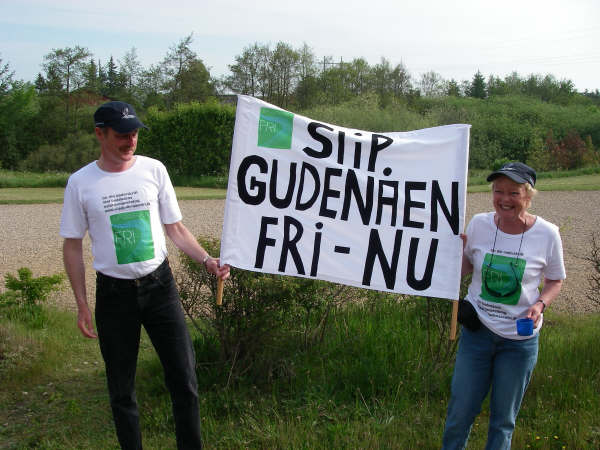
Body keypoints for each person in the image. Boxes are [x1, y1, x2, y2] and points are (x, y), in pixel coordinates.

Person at [60, 101, 230, 449]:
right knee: (121, 389)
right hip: (114, 295)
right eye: (122, 135)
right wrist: (81, 304)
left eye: (134, 133)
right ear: (100, 134)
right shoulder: (80, 183)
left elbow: (176, 229)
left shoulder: (154, 170)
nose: (130, 141)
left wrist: (207, 260)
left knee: (184, 380)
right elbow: (72, 245)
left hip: (160, 287)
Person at [442, 162, 566, 449]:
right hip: (477, 335)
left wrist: (540, 304)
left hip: (519, 342)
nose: (504, 199)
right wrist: (453, 251)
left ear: (529, 195)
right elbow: (463, 270)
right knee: (459, 413)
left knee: (503, 421)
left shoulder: (547, 234)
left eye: (514, 192)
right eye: (499, 191)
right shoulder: (479, 224)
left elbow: (555, 281)